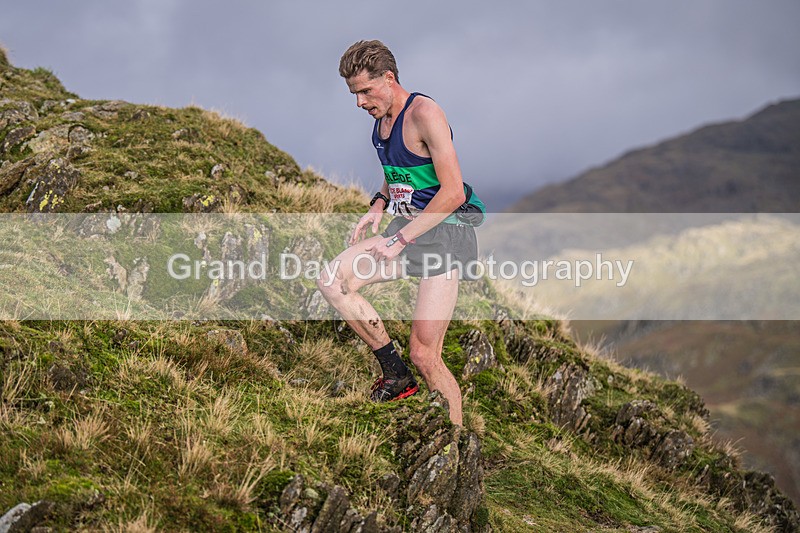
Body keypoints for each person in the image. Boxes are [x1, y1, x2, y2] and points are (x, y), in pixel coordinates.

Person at [317, 40, 485, 426]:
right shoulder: (381, 120)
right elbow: (400, 169)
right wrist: (378, 203)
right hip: (407, 229)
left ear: (388, 78)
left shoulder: (425, 113)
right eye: (353, 94)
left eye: (364, 91)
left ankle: (456, 443)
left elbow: (453, 191)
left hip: (445, 238)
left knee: (426, 355)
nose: (359, 102)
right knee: (332, 281)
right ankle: (395, 373)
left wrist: (399, 240)